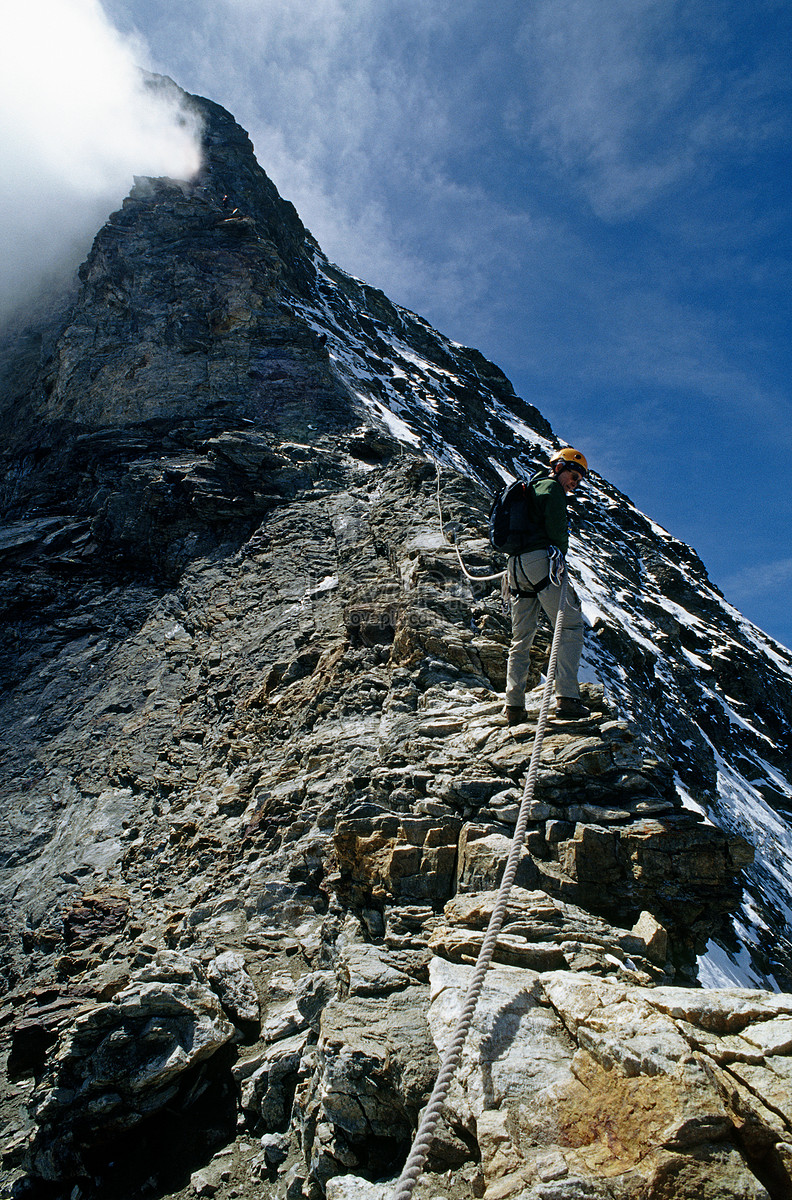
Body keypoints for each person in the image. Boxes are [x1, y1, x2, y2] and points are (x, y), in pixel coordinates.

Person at [504, 447, 589, 725]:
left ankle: (514, 705)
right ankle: (567, 698)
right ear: (559, 467)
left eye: (578, 480)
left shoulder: (530, 486)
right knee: (570, 624)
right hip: (540, 561)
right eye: (572, 475)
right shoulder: (552, 490)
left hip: (515, 567)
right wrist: (560, 556)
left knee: (521, 638)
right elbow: (556, 531)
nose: (574, 483)